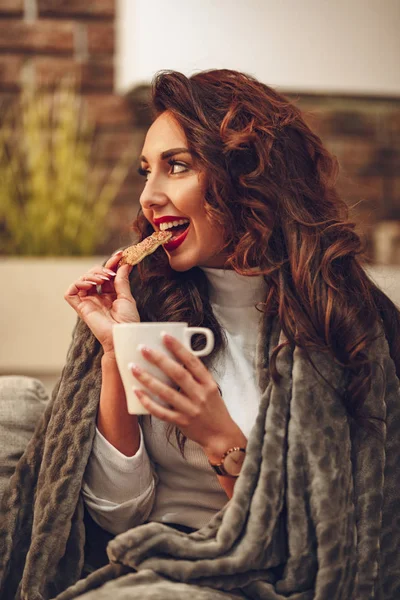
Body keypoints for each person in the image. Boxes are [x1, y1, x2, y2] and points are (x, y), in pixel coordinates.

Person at [1, 69, 400, 599]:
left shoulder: (346, 322)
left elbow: (322, 550)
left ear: (247, 175)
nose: (149, 196)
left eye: (177, 166)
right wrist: (114, 355)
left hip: (255, 576)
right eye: (146, 172)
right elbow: (119, 517)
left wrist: (218, 438)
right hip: (147, 556)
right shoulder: (144, 298)